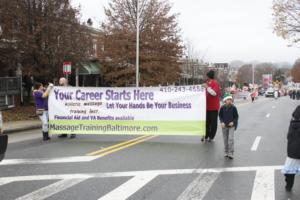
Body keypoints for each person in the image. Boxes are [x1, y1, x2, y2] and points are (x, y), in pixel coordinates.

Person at [282, 106, 300, 191]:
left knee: (289, 170)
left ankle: (288, 185)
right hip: (294, 150)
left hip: (292, 152)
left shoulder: (292, 123)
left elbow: (288, 136)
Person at [202, 70, 221, 142]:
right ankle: (206, 135)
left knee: (213, 123)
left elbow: (214, 93)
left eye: (207, 76)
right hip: (206, 107)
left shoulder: (215, 83)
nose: (206, 77)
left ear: (209, 76)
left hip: (213, 107)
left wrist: (207, 87)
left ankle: (211, 136)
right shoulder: (207, 83)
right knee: (206, 123)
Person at [219, 93, 239, 159]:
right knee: (225, 139)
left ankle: (231, 153)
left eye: (230, 99)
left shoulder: (233, 108)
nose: (229, 101)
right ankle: (226, 152)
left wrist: (233, 122)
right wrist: (222, 122)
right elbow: (220, 116)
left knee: (230, 139)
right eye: (228, 99)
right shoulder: (222, 107)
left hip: (231, 126)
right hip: (224, 126)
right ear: (225, 100)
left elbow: (236, 117)